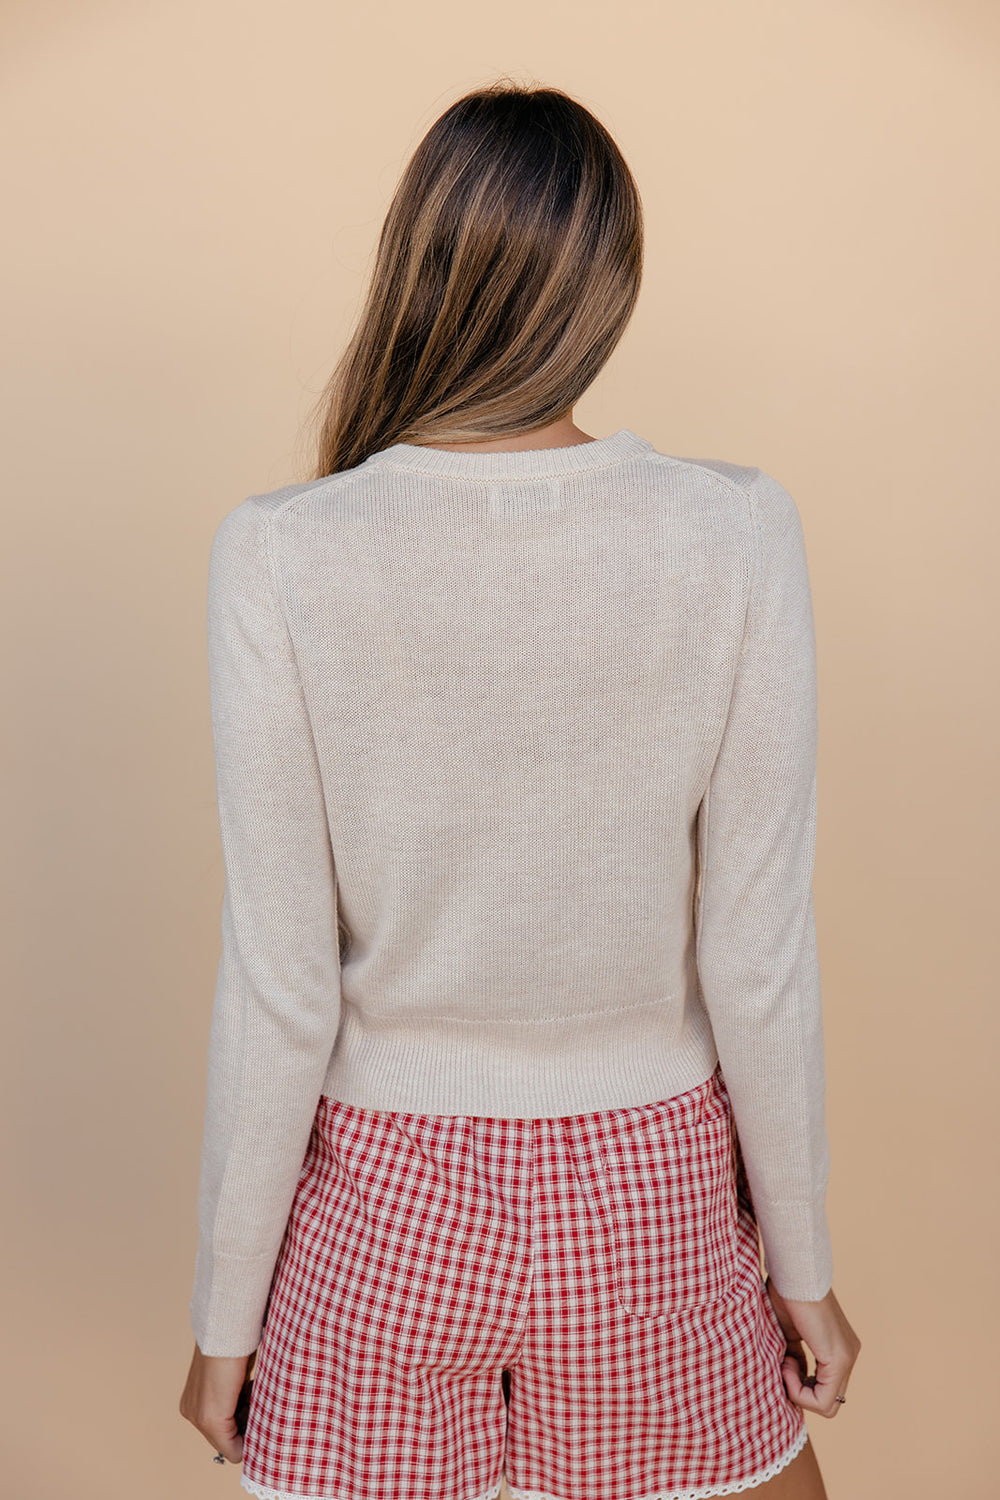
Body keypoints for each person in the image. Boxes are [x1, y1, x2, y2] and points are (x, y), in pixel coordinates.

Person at [179, 79, 861, 1500]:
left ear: (415, 266)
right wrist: (801, 1263)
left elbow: (282, 982)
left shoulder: (282, 552)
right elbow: (758, 953)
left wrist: (225, 1317)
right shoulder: (734, 533)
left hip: (379, 1206)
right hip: (652, 1193)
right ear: (609, 286)